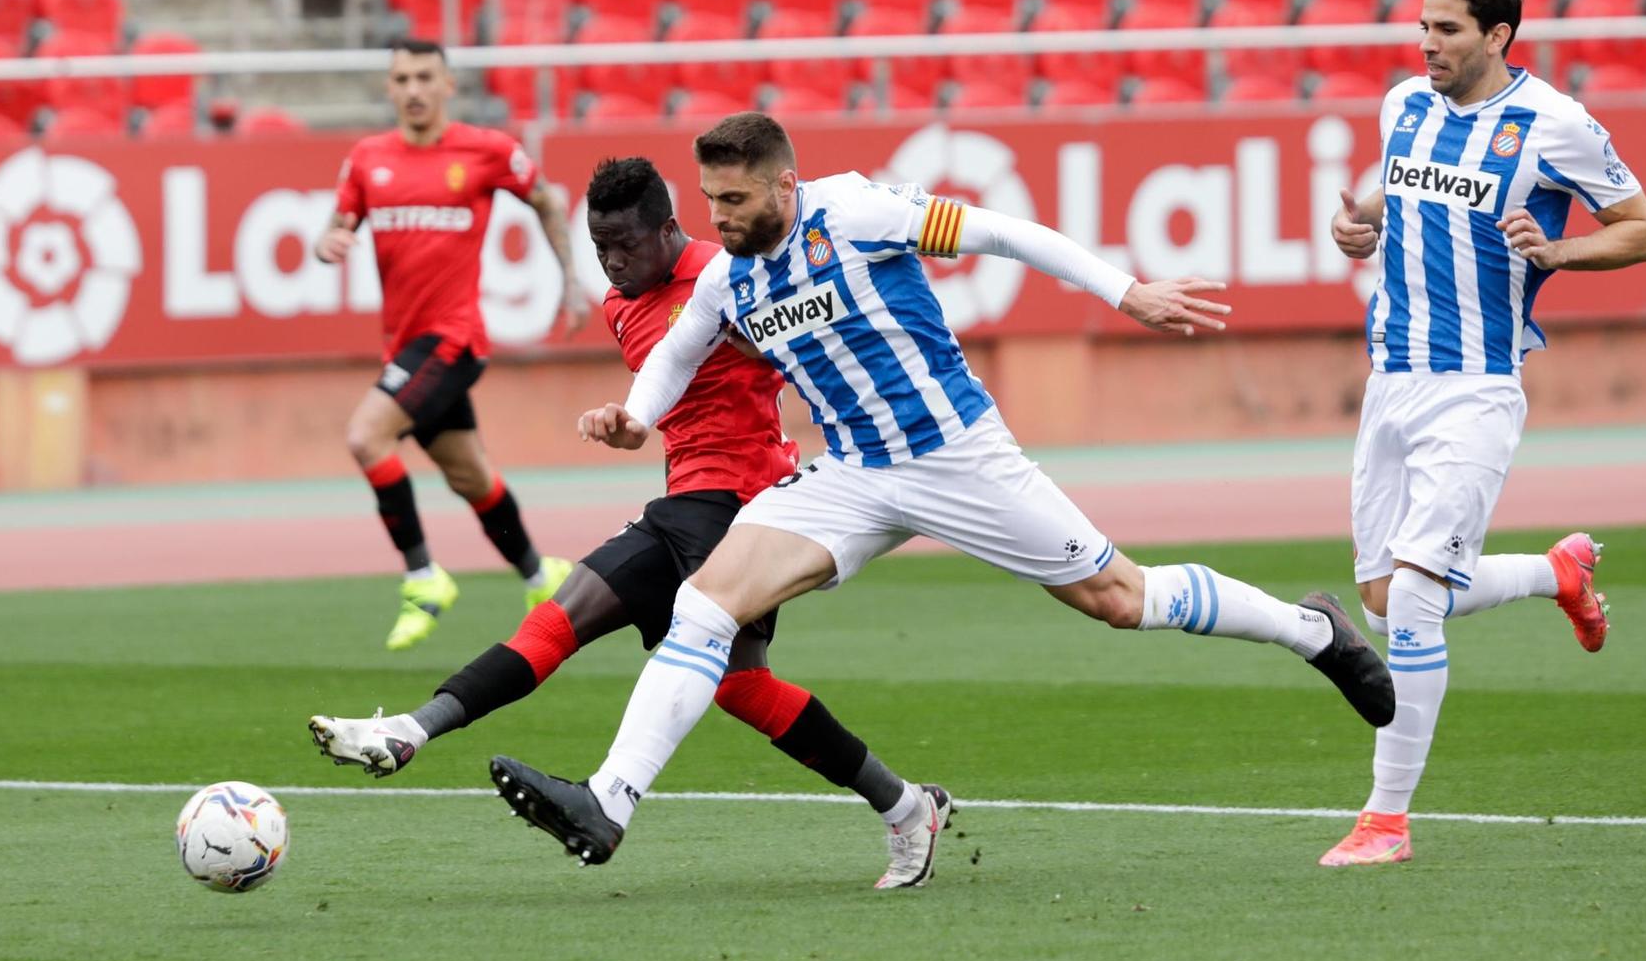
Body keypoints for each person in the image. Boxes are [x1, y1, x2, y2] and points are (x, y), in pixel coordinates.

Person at [487, 111, 1396, 873]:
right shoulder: (728, 277)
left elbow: (1003, 232)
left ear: (785, 184)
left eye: (735, 199)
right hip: (852, 473)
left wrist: (1128, 293)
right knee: (703, 602)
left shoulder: (857, 211)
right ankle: (609, 801)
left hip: (956, 455)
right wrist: (635, 418)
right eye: (709, 201)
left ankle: (1310, 628)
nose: (717, 219)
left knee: (1120, 599)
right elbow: (677, 354)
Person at [310, 156, 951, 888]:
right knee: (558, 619)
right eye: (599, 247)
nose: (612, 262)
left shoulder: (729, 274)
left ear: (669, 230)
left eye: (625, 245)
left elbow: (800, 347)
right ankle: (409, 730)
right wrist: (623, 421)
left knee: (742, 687)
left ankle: (904, 807)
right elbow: (666, 394)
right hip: (680, 504)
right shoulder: (621, 304)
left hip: (747, 508)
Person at [1316, 0, 1646, 868]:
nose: (1426, 43)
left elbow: (1643, 231)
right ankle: (1557, 576)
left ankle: (1385, 819)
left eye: (1447, 30)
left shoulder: (1555, 123)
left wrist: (1557, 254)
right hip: (1390, 380)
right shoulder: (1404, 105)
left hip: (1475, 387)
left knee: (1418, 604)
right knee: (1388, 596)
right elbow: (1400, 205)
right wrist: (1363, 228)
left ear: (1498, 36)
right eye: (1423, 25)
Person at [314, 39, 589, 652]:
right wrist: (325, 244)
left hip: (454, 340)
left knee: (366, 435)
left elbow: (545, 200)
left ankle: (423, 578)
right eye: (401, 78)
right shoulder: (367, 158)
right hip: (404, 346)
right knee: (470, 476)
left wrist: (571, 283)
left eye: (424, 77)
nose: (412, 89)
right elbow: (336, 225)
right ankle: (539, 576)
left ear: (447, 86)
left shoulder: (485, 150)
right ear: (390, 88)